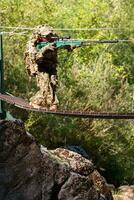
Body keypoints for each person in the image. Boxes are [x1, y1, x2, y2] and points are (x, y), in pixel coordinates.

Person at [24, 25, 75, 111]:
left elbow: (62, 44)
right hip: (38, 65)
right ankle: (34, 102)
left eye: (49, 35)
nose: (48, 37)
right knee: (44, 84)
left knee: (53, 83)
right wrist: (44, 49)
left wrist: (70, 45)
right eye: (46, 36)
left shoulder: (53, 37)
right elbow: (34, 57)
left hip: (50, 64)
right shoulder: (32, 43)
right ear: (39, 36)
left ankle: (52, 103)